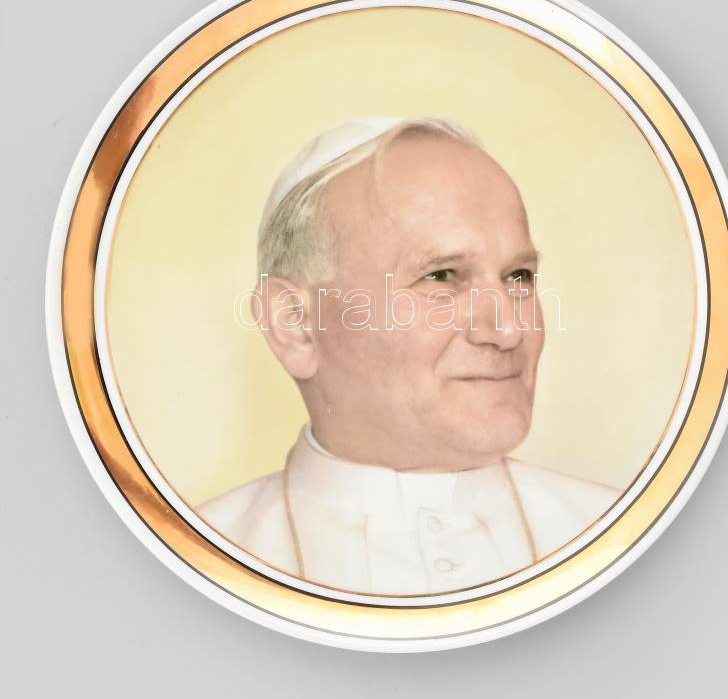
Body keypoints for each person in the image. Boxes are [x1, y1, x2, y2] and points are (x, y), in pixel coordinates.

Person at [198, 116, 620, 595]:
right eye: (441, 277)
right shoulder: (194, 566)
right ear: (295, 325)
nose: (507, 330)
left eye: (518, 276)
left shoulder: (623, 538)